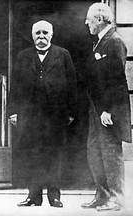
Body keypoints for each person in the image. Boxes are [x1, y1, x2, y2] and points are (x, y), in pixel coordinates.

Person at [9, 20, 77, 208]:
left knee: (53, 154)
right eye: (37, 33)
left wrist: (71, 111)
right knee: (32, 154)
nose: (41, 36)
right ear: (32, 36)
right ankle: (33, 196)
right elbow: (15, 85)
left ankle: (54, 196)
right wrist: (13, 112)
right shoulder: (23, 56)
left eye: (45, 33)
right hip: (29, 114)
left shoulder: (63, 55)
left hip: (55, 114)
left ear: (51, 35)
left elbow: (72, 84)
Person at [81, 3, 131, 212]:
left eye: (89, 19)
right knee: (94, 152)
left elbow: (117, 81)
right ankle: (102, 195)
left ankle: (116, 198)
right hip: (97, 110)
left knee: (110, 153)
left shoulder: (114, 42)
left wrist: (108, 110)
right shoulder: (101, 42)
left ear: (100, 19)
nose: (86, 23)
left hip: (108, 111)